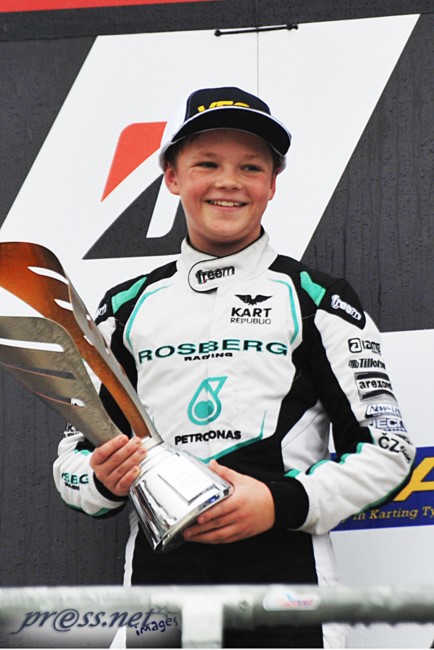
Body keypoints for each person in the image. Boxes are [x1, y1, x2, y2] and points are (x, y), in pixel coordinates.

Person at [53, 86, 415, 648]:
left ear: (272, 184)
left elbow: (386, 452)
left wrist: (277, 503)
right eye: (207, 164)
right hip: (157, 602)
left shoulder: (318, 299)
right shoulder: (123, 308)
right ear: (172, 177)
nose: (229, 182)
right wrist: (104, 478)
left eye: (250, 167)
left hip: (289, 598)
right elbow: (72, 461)